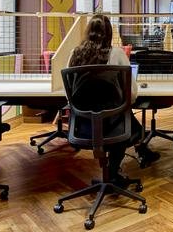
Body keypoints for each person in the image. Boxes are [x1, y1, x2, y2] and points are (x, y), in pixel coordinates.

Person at [68, 14, 160, 185]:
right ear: (109, 34)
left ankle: (139, 150)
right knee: (122, 114)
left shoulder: (75, 54)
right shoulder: (117, 54)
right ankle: (116, 168)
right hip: (113, 126)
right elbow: (131, 95)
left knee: (120, 113)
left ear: (88, 32)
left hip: (83, 125)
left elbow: (70, 95)